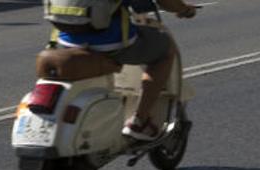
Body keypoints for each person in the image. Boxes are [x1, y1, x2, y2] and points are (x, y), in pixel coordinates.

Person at [52, 0, 197, 141]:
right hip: (110, 42)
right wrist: (184, 10)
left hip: (65, 41)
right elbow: (167, 2)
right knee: (165, 51)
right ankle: (139, 121)